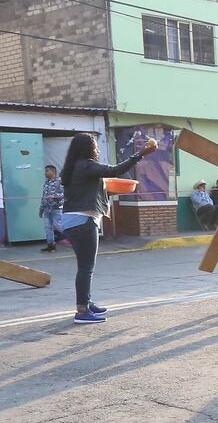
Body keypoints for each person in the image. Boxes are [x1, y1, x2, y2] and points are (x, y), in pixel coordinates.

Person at [61, 132, 157, 324]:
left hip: (72, 220)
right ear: (89, 148)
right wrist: (141, 153)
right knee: (86, 268)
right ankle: (81, 311)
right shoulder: (87, 165)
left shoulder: (72, 167)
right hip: (83, 220)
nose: (96, 148)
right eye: (95, 145)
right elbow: (115, 170)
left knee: (84, 267)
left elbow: (89, 190)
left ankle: (86, 303)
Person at [38, 164, 64, 252]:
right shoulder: (46, 183)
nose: (45, 173)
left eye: (47, 171)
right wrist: (41, 209)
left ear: (52, 172)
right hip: (47, 209)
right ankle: (51, 245)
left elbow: (65, 195)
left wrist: (54, 196)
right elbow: (43, 196)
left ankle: (76, 239)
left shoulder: (59, 182)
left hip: (57, 209)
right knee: (47, 227)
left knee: (58, 226)